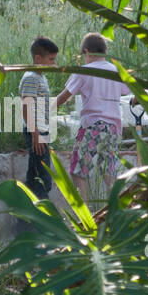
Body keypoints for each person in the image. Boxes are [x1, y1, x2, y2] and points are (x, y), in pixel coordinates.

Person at [55, 33, 134, 206]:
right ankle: (115, 210)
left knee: (78, 171)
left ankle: (83, 217)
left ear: (87, 51)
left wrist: (44, 110)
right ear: (104, 51)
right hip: (113, 128)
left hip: (92, 126)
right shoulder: (115, 71)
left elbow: (63, 98)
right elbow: (130, 91)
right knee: (108, 171)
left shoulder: (85, 71)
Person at [19, 36, 58, 199]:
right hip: (36, 132)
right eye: (51, 59)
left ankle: (25, 219)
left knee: (34, 177)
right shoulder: (31, 78)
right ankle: (42, 219)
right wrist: (35, 134)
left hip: (41, 131)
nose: (54, 64)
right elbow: (26, 106)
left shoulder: (40, 77)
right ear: (37, 58)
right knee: (43, 180)